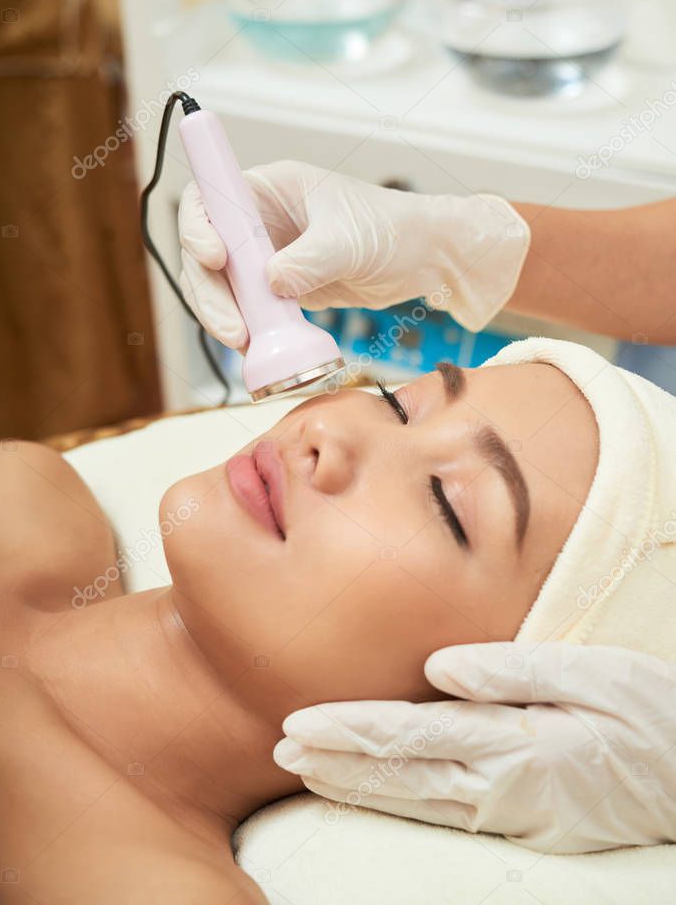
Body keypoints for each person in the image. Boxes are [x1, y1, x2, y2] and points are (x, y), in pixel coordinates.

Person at [177, 162, 676, 854]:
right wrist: (458, 241)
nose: (326, 430)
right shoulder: (35, 510)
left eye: (446, 504)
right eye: (395, 402)